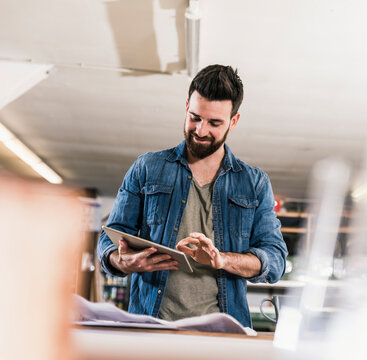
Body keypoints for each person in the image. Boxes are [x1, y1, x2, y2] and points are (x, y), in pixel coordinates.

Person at [97, 65, 288, 328]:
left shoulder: (254, 183)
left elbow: (275, 258)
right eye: (194, 117)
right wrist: (122, 261)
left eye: (214, 123)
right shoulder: (147, 168)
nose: (200, 130)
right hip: (152, 330)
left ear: (234, 121)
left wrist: (222, 259)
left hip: (221, 337)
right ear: (186, 106)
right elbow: (110, 235)